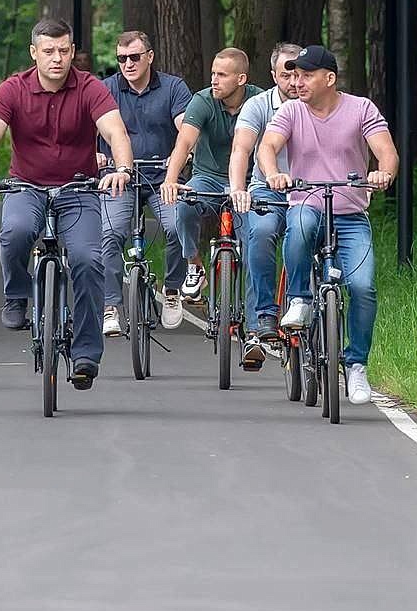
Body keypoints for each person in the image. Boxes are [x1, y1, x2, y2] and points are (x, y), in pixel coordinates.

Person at [0, 18, 135, 391]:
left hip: (78, 190)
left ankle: (86, 355)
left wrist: (122, 168)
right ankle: (17, 294)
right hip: (26, 186)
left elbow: (115, 132)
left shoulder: (90, 87)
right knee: (15, 233)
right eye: (49, 51)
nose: (57, 58)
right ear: (34, 53)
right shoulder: (13, 89)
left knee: (88, 259)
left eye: (64, 50)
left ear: (72, 52)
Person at [255, 44, 398, 406]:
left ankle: (356, 365)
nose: (297, 82)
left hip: (351, 213)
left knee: (363, 286)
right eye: (293, 75)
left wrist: (382, 173)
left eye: (305, 75)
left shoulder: (361, 108)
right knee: (300, 229)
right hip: (306, 201)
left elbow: (386, 152)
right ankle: (299, 299)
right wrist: (274, 175)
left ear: (329, 78)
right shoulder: (290, 112)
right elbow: (267, 147)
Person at [96, 30, 192, 337]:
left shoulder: (173, 87)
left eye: (134, 57)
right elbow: (83, 130)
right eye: (121, 58)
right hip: (117, 176)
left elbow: (185, 128)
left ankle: (173, 289)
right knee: (109, 233)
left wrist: (184, 153)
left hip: (163, 177)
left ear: (149, 57)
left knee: (177, 225)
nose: (127, 63)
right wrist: (94, 155)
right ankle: (111, 305)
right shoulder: (105, 89)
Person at [160, 48, 262, 321]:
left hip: (249, 183)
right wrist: (171, 180)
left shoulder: (259, 100)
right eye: (213, 73)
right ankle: (195, 266)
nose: (214, 80)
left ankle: (256, 321)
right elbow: (184, 142)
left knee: (255, 243)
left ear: (241, 79)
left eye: (222, 75)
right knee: (184, 207)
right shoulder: (203, 100)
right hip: (208, 177)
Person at [226, 42, 301, 369]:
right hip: (266, 190)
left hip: (307, 191)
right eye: (287, 71)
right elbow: (242, 150)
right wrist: (238, 189)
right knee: (262, 233)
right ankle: (264, 318)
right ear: (273, 75)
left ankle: (313, 312)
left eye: (300, 71)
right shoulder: (258, 106)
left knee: (312, 240)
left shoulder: (316, 105)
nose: (294, 78)